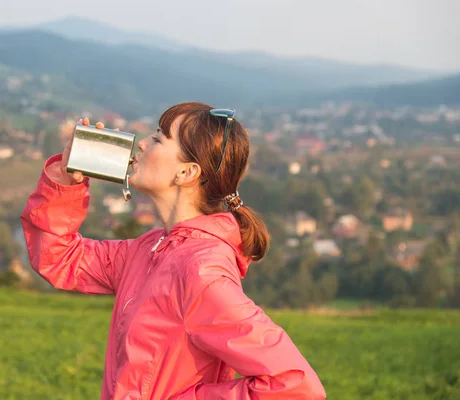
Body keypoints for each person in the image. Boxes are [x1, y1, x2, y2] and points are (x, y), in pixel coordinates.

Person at [21, 102, 326, 399]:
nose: (141, 144)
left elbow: (295, 387)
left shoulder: (200, 272)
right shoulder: (148, 251)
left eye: (158, 138)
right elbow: (59, 259)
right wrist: (66, 182)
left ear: (187, 172)